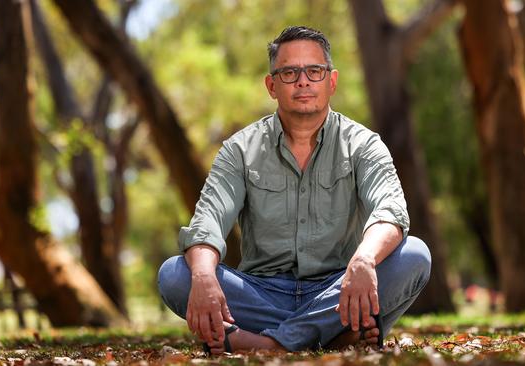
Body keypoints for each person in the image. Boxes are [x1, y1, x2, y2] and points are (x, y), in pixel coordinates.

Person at [158, 25, 431, 355]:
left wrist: (364, 259)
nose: (303, 81)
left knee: (414, 255)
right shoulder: (239, 150)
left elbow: (390, 211)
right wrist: (202, 276)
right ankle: (331, 337)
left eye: (314, 71)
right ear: (272, 86)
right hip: (260, 292)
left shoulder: (363, 144)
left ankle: (267, 344)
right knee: (175, 275)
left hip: (340, 287)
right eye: (289, 72)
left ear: (331, 81)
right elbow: (208, 222)